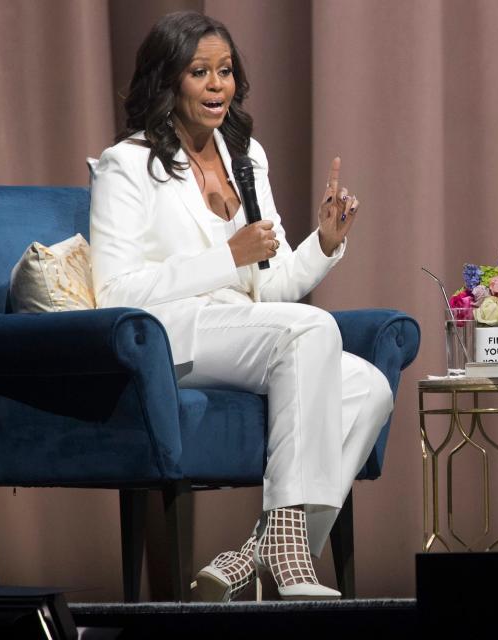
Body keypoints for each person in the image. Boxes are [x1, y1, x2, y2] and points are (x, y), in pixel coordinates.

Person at [89, 11, 393, 601]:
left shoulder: (245, 155)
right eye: (199, 72)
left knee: (369, 389)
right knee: (310, 332)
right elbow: (116, 293)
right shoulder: (127, 164)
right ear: (168, 81)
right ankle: (288, 554)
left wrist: (324, 244)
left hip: (243, 326)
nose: (216, 85)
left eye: (224, 71)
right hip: (171, 331)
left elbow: (269, 286)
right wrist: (225, 257)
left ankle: (252, 556)